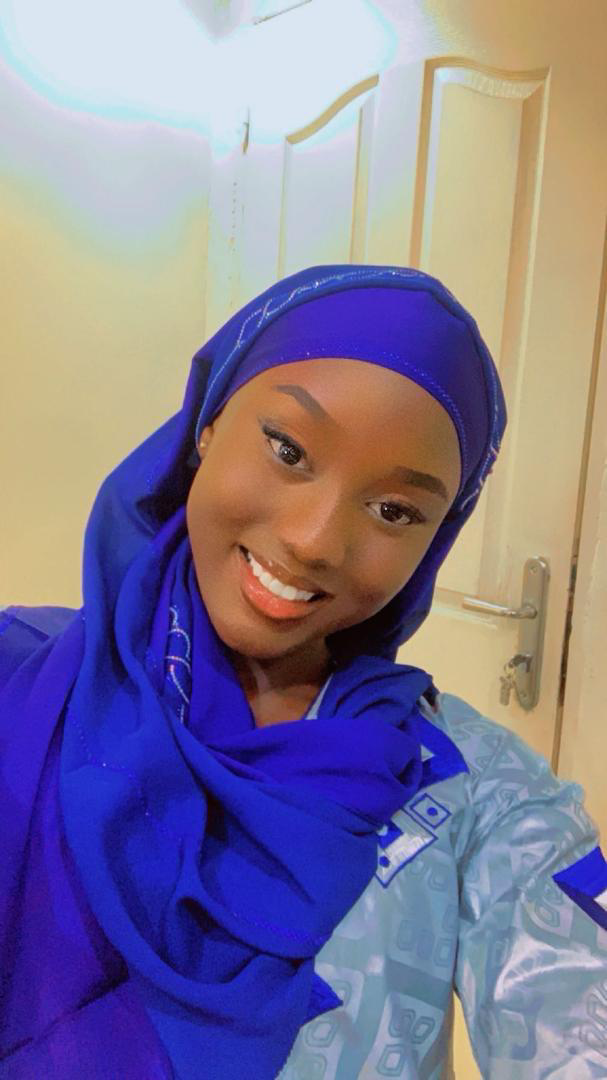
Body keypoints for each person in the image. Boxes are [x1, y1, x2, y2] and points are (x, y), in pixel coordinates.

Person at [1, 264, 606, 1080]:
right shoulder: (18, 677)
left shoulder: (475, 794)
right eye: (288, 450)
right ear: (208, 423)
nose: (315, 539)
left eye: (394, 511)